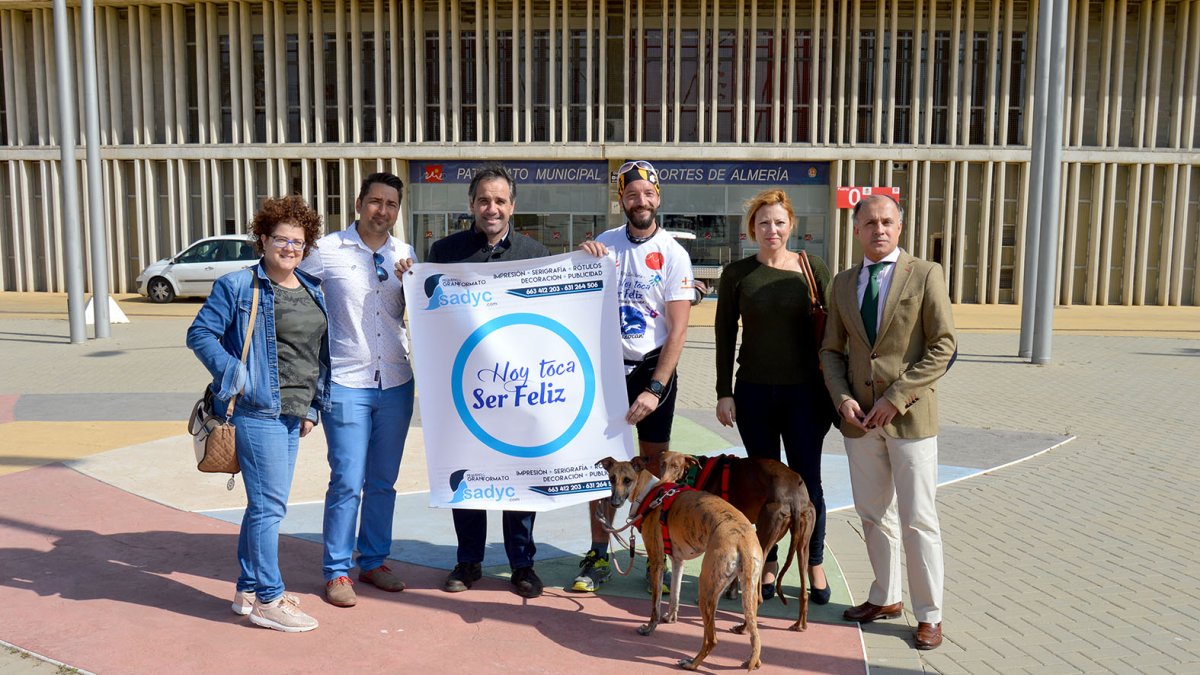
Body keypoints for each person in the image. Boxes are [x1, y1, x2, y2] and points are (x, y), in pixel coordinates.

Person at [397, 163, 551, 599]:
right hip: (462, 388)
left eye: (500, 200)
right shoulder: (444, 252)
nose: (492, 208)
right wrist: (411, 276)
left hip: (519, 388)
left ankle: (523, 564)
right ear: (471, 204)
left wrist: (592, 262)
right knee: (467, 477)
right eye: (484, 200)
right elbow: (427, 308)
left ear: (512, 206)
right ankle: (469, 562)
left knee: (520, 474)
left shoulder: (534, 253)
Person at [187, 196, 331, 632]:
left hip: (292, 414)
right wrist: (237, 374)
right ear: (263, 240)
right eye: (282, 240)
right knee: (270, 509)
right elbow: (200, 333)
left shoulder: (311, 288)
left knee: (262, 507)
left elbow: (314, 354)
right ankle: (269, 599)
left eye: (299, 242)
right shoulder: (239, 285)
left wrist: (310, 407)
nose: (290, 248)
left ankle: (247, 589)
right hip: (256, 411)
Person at [819, 194, 957, 651]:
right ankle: (885, 596)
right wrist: (842, 399)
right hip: (859, 421)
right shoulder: (842, 283)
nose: (879, 229)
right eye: (870, 223)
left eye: (887, 222)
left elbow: (942, 345)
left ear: (899, 228)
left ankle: (930, 614)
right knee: (874, 515)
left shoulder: (925, 273)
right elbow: (831, 351)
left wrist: (896, 398)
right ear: (856, 230)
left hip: (910, 419)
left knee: (919, 519)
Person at [572, 160, 694, 593]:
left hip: (652, 370)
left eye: (647, 193)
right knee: (601, 468)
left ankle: (654, 553)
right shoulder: (603, 244)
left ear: (657, 197)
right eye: (631, 194)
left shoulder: (674, 253)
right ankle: (598, 553)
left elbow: (678, 330)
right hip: (607, 371)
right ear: (620, 200)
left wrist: (655, 388)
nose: (640, 201)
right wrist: (581, 259)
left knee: (652, 470)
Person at [298, 173, 416, 608]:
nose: (381, 211)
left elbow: (418, 314)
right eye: (374, 201)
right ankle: (336, 571)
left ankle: (375, 561)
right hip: (347, 381)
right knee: (347, 480)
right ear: (358, 203)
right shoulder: (326, 251)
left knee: (383, 482)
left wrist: (415, 283)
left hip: (397, 382)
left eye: (390, 204)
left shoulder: (405, 254)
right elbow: (294, 297)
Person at [713, 188, 835, 605]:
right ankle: (767, 561)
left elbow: (835, 334)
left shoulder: (811, 267)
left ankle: (813, 560)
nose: (772, 229)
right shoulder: (738, 274)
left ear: (791, 225)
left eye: (780, 222)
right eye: (764, 222)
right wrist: (723, 392)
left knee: (807, 483)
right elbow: (725, 336)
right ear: (752, 228)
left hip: (806, 394)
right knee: (764, 488)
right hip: (753, 395)